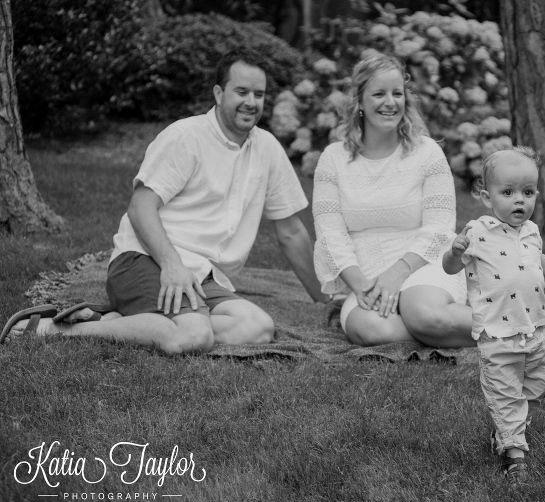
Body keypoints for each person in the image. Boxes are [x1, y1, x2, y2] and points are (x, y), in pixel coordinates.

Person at [2, 48, 326, 353]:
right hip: (146, 257)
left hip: (204, 274)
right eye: (242, 92)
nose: (251, 102)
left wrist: (325, 299)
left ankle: (121, 323)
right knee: (193, 336)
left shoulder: (267, 148)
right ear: (218, 93)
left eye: (259, 94)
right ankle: (55, 329)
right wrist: (172, 265)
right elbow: (140, 206)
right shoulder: (185, 136)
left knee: (257, 328)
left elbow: (291, 231)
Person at [312, 53, 473, 348]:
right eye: (379, 94)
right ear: (359, 102)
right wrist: (362, 286)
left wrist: (396, 274)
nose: (390, 102)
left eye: (397, 93)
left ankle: (522, 331)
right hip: (366, 277)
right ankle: (450, 332)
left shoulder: (427, 153)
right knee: (372, 331)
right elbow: (330, 236)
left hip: (423, 264)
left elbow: (439, 230)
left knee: (424, 314)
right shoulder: (332, 159)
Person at [442, 147, 545, 482]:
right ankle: (514, 455)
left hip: (536, 330)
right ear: (487, 197)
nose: (520, 201)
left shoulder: (531, 230)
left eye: (528, 193)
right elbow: (450, 267)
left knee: (535, 389)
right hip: (498, 336)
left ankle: (506, 430)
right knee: (505, 395)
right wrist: (454, 252)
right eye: (509, 192)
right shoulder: (477, 231)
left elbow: (534, 259)